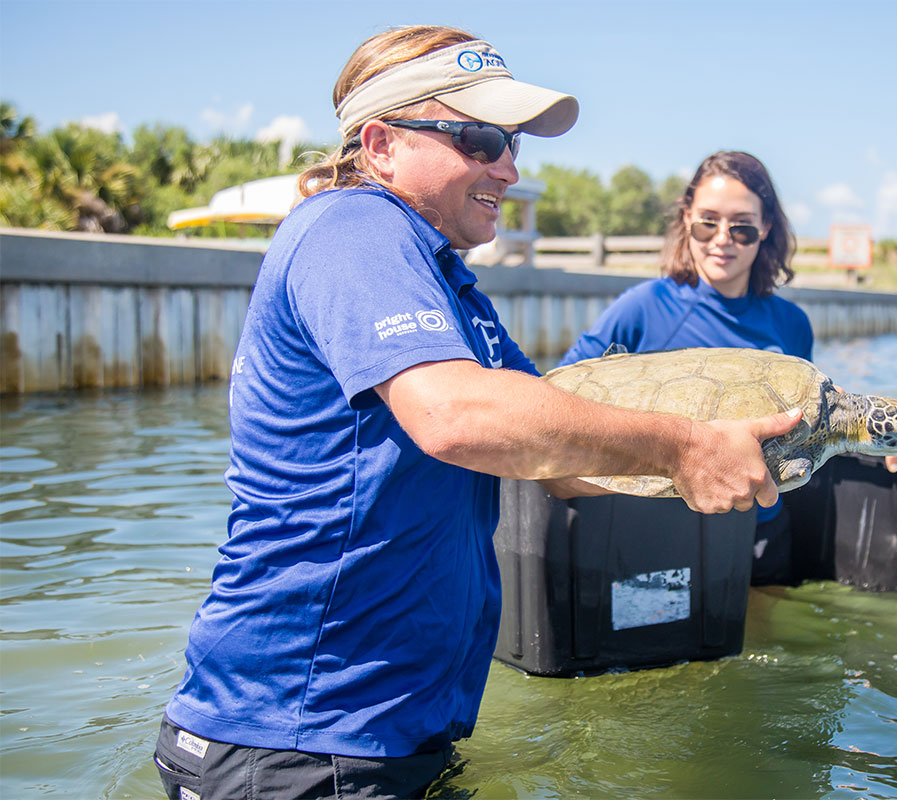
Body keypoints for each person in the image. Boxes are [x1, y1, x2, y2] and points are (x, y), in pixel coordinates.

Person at [153, 27, 805, 800]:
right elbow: (454, 414)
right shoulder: (351, 229)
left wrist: (745, 458)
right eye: (481, 138)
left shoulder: (453, 291)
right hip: (296, 742)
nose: (509, 165)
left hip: (386, 737)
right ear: (381, 143)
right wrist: (684, 447)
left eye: (513, 141)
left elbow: (561, 453)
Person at [558, 151, 897, 584]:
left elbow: (805, 422)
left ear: (766, 229)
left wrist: (880, 441)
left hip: (760, 535)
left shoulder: (791, 325)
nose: (722, 239)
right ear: (686, 220)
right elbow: (557, 405)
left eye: (741, 227)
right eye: (707, 222)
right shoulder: (640, 309)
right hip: (654, 536)